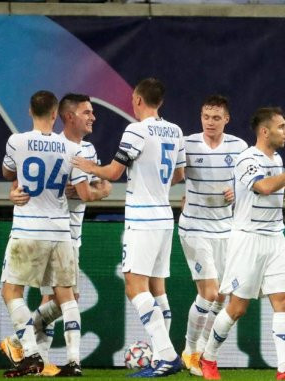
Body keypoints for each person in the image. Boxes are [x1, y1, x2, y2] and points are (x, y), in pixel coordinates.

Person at [72, 78, 186, 377]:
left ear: (137, 99)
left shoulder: (136, 130)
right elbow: (179, 173)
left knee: (135, 287)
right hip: (164, 217)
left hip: (143, 218)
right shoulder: (175, 131)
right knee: (157, 288)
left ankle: (167, 355)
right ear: (159, 101)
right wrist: (154, 182)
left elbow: (114, 171)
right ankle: (164, 356)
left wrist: (89, 168)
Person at [198, 107, 285, 381]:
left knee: (284, 300)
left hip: (275, 237)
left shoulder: (276, 159)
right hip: (248, 238)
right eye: (282, 126)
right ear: (265, 131)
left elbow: (280, 192)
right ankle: (208, 357)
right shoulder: (247, 159)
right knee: (238, 307)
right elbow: (262, 187)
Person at [0, 93, 111, 376]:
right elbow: (87, 191)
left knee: (22, 292)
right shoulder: (70, 150)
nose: (92, 117)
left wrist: (15, 190)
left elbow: (8, 173)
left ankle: (29, 350)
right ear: (59, 115)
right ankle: (59, 360)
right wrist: (82, 190)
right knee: (63, 298)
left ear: (29, 110)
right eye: (87, 112)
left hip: (32, 229)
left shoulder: (17, 141)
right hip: (61, 230)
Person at [178, 95, 248, 376]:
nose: (210, 122)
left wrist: (238, 191)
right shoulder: (188, 144)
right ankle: (190, 350)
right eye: (206, 116)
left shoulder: (239, 147)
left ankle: (203, 352)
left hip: (225, 229)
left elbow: (249, 185)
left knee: (220, 297)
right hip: (194, 227)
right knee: (208, 293)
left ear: (226, 120)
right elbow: (173, 176)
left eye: (216, 117)